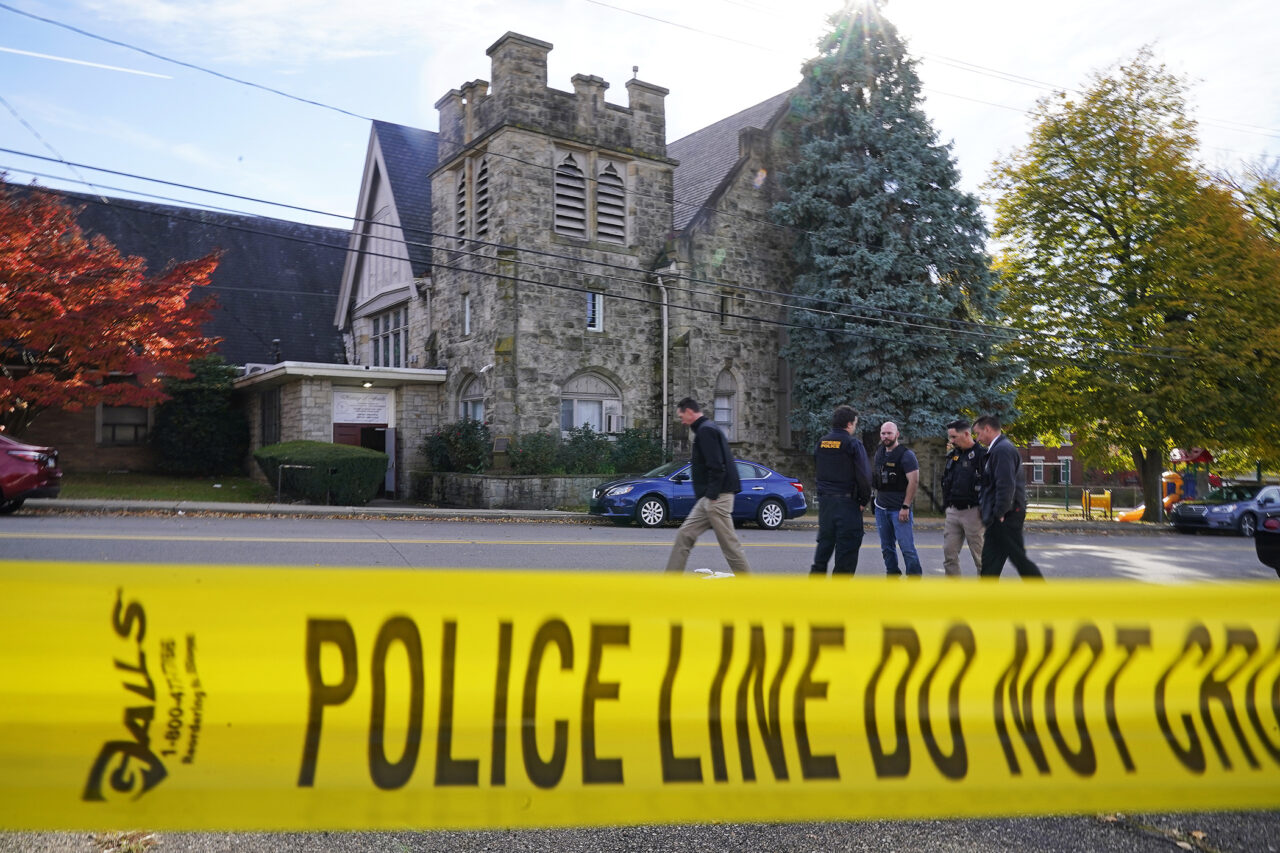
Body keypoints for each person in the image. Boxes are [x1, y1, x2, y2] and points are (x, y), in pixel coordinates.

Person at [663, 397, 751, 576]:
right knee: (684, 535)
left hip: (717, 497)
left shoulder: (706, 431)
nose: (682, 421)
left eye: (682, 417)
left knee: (729, 544)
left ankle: (748, 585)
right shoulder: (706, 429)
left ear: (689, 412)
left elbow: (717, 465)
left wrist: (712, 495)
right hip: (709, 498)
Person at [972, 414, 1043, 579]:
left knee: (1018, 560)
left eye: (978, 433)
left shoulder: (1002, 450)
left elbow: (1005, 484)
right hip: (1000, 515)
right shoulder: (998, 449)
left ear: (988, 429)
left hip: (1006, 516)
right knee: (991, 561)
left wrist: (1000, 512)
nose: (977, 438)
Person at [810, 405, 871, 577]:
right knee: (847, 551)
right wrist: (863, 500)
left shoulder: (821, 443)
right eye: (855, 424)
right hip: (847, 504)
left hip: (826, 504)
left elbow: (818, 469)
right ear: (850, 424)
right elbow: (864, 476)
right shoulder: (853, 444)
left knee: (824, 548)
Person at [872, 421, 922, 576]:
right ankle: (892, 574)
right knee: (886, 547)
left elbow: (914, 481)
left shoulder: (906, 455)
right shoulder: (879, 452)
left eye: (889, 433)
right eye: (883, 433)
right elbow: (876, 477)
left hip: (899, 510)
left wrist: (906, 506)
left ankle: (914, 577)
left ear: (897, 434)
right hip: (881, 508)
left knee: (906, 547)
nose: (886, 436)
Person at [941, 418, 986, 577]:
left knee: (980, 557)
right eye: (950, 437)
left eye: (954, 437)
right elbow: (946, 480)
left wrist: (984, 509)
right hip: (953, 511)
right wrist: (947, 506)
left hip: (973, 512)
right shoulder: (953, 455)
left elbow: (991, 485)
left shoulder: (982, 455)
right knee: (949, 555)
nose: (951, 441)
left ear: (967, 434)